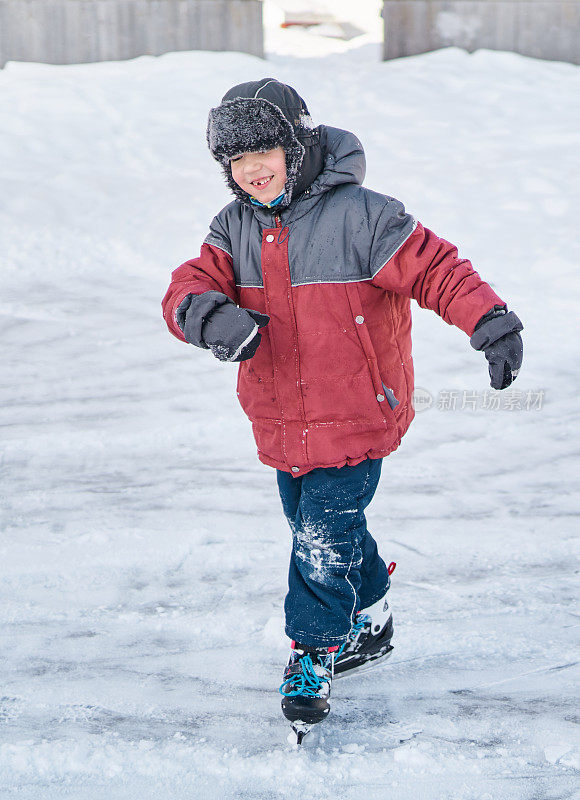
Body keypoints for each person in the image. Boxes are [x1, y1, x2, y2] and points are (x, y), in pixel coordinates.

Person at [162, 78, 523, 738]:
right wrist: (209, 317)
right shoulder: (232, 227)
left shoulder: (363, 215)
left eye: (263, 152)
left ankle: (313, 650)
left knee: (322, 534)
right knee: (317, 525)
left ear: (296, 146)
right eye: (236, 162)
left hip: (357, 411)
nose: (252, 171)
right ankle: (373, 617)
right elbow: (189, 288)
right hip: (280, 417)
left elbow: (436, 268)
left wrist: (490, 321)